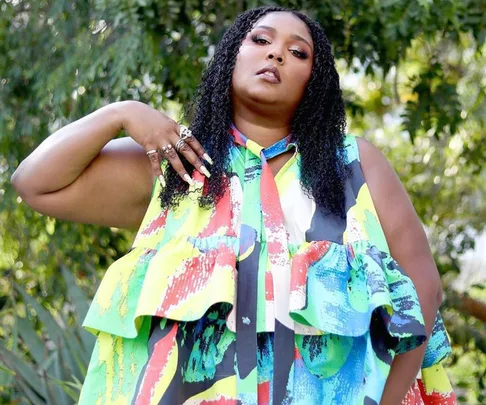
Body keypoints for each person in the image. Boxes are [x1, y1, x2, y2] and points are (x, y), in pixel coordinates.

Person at [11, 6, 456, 405]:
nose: (276, 55)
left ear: (314, 83)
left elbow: (423, 289)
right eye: (260, 40)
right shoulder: (176, 163)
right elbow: (34, 183)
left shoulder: (355, 165)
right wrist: (120, 114)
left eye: (298, 53)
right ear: (231, 58)